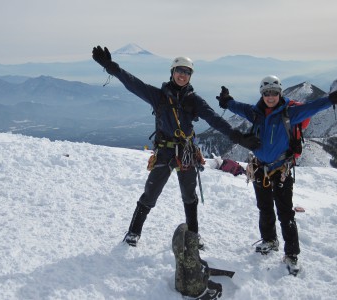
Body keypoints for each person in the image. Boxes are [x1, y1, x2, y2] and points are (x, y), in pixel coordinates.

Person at [92, 45, 261, 247]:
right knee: (150, 193)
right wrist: (112, 67)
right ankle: (133, 232)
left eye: (187, 72)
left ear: (190, 76)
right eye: (179, 71)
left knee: (189, 196)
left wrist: (237, 137)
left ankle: (193, 236)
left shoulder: (194, 100)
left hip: (186, 152)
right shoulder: (159, 96)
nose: (182, 75)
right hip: (165, 151)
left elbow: (214, 119)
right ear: (172, 73)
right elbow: (133, 84)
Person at [216, 75, 337, 271]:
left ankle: (292, 254)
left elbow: (317, 105)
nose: (270, 96)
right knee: (264, 207)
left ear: (280, 93)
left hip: (280, 169)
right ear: (262, 94)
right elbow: (238, 108)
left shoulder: (290, 113)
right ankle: (269, 240)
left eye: (274, 93)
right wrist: (227, 102)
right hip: (259, 167)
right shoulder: (255, 112)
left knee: (285, 213)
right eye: (266, 93)